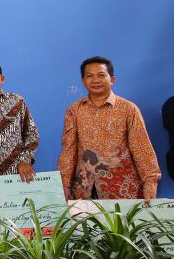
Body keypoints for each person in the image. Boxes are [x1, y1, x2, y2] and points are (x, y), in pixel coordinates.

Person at [58, 56, 161, 202]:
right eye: (89, 76)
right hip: (84, 189)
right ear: (83, 81)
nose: (95, 80)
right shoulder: (74, 110)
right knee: (87, 225)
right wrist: (62, 184)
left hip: (124, 189)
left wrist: (150, 182)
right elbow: (68, 150)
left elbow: (141, 147)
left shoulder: (128, 109)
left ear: (112, 79)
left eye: (101, 75)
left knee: (122, 225)